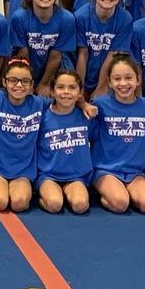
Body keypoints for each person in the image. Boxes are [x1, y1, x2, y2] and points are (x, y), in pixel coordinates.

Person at [0, 58, 48, 213]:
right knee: (0, 203)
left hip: (23, 169)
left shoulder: (39, 103)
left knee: (19, 204)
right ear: (4, 82)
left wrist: (83, 104)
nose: (19, 85)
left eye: (25, 81)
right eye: (13, 80)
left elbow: (64, 100)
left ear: (31, 84)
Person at [91, 56, 145, 214]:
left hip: (135, 172)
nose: (123, 83)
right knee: (120, 203)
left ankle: (125, 192)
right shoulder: (100, 105)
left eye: (128, 78)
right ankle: (103, 194)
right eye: (117, 79)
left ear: (138, 80)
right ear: (109, 82)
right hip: (106, 170)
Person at [36, 70, 96, 213]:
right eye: (60, 87)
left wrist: (84, 105)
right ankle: (42, 196)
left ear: (80, 93)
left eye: (72, 87)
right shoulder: (42, 117)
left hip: (76, 176)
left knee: (80, 206)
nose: (66, 92)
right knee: (54, 204)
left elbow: (96, 141)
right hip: (49, 175)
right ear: (52, 91)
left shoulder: (87, 116)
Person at [9, 0, 76, 96]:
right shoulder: (19, 17)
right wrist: (28, 82)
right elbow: (23, 53)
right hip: (27, 62)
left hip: (55, 65)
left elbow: (56, 55)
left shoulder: (67, 19)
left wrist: (45, 84)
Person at [74, 0, 133, 98]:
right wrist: (80, 88)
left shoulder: (125, 19)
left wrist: (101, 87)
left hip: (106, 76)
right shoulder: (81, 16)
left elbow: (112, 55)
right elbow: (82, 54)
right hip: (82, 71)